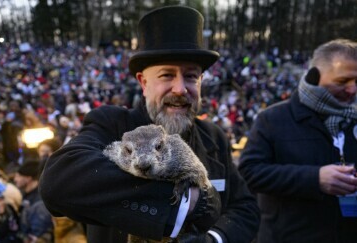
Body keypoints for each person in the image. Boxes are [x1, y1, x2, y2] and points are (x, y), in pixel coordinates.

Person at [40, 5, 259, 243]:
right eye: (167, 75)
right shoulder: (111, 123)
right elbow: (57, 183)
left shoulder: (214, 137)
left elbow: (245, 208)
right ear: (144, 83)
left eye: (191, 76)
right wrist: (186, 205)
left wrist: (214, 239)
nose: (180, 89)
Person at [238, 39, 357, 243]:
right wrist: (315, 179)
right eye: (342, 82)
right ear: (314, 77)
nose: (352, 90)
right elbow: (249, 172)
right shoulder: (273, 119)